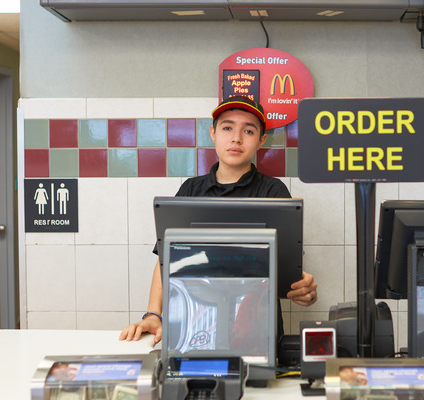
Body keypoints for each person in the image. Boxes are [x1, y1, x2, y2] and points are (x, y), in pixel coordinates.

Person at [119, 95, 318, 344]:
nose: (236, 138)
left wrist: (304, 290)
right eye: (227, 128)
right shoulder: (191, 190)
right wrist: (153, 314)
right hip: (196, 321)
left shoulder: (273, 192)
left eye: (248, 130)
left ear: (261, 140)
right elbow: (166, 258)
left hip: (257, 326)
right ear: (213, 133)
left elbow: (289, 265)